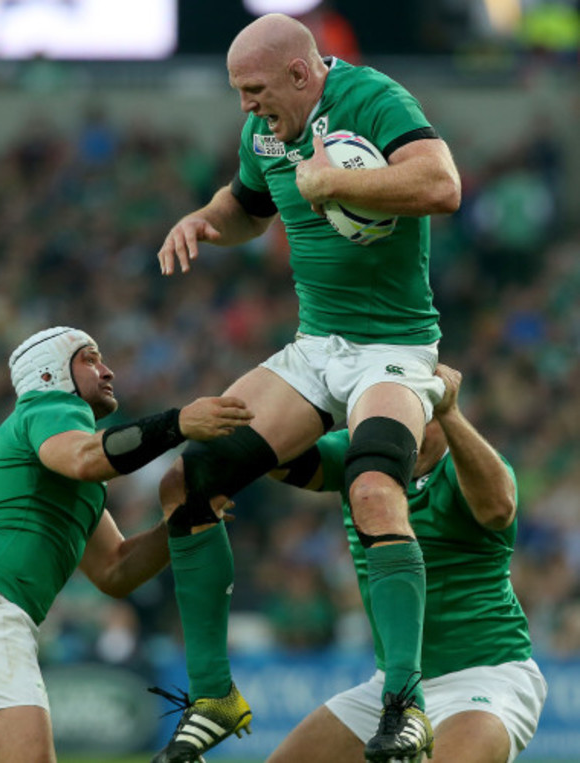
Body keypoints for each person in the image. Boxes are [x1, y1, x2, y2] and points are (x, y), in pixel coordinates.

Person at [153, 12, 461, 763]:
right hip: (315, 347)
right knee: (188, 481)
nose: (245, 105)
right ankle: (216, 695)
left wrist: (334, 180)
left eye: (255, 89)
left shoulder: (373, 99)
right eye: (237, 92)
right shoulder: (263, 130)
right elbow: (247, 209)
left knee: (373, 492)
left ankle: (404, 704)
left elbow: (442, 183)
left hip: (393, 347)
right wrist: (202, 218)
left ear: (301, 72)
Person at [0, 326, 253, 763]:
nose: (107, 370)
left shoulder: (63, 466)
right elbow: (86, 457)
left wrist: (180, 520)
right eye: (90, 358)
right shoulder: (50, 407)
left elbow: (115, 571)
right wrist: (178, 424)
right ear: (49, 374)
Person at [266, 364, 547, 763]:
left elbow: (500, 509)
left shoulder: (464, 466)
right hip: (393, 687)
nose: (393, 429)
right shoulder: (361, 457)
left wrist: (451, 412)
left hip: (485, 676)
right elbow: (280, 457)